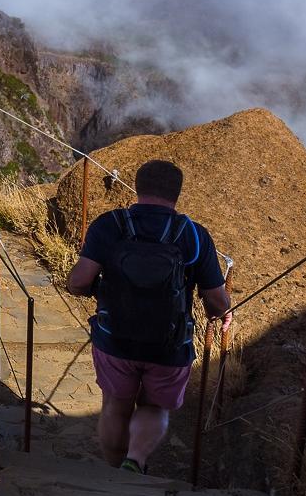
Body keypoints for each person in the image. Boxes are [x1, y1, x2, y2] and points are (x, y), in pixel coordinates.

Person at [65, 159, 232, 475]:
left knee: (115, 405)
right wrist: (222, 313)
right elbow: (216, 299)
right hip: (169, 346)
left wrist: (96, 291)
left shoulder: (110, 225)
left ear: (138, 187)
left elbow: (79, 281)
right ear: (177, 194)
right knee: (154, 407)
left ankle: (113, 472)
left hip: (114, 340)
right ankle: (135, 461)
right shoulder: (194, 235)